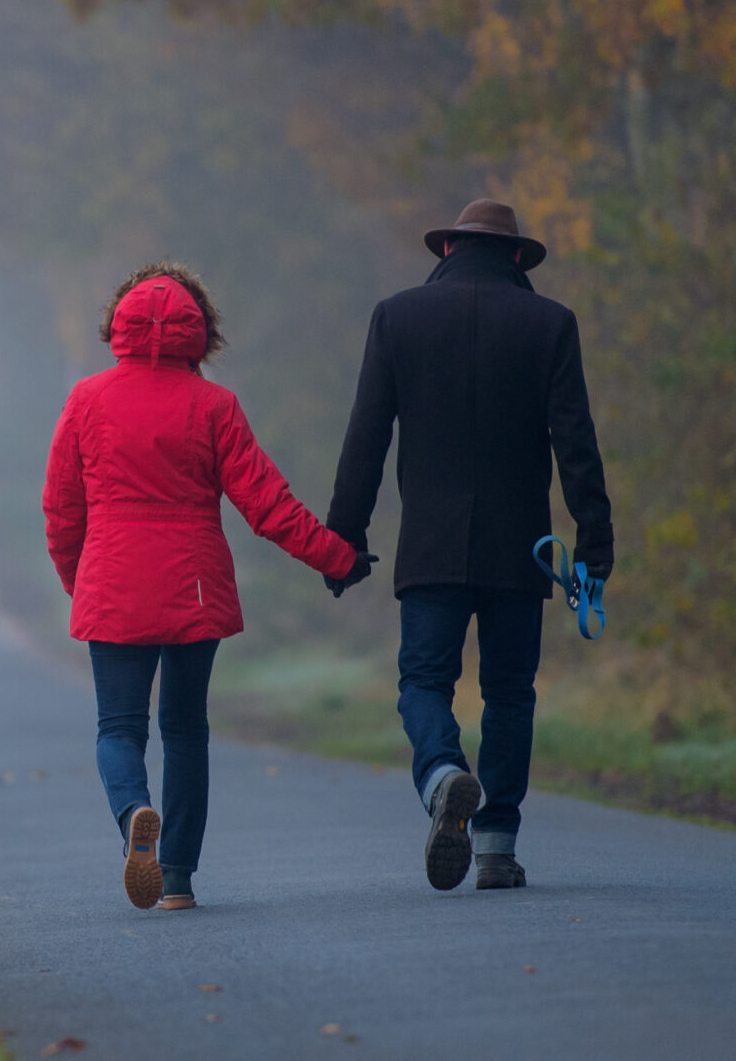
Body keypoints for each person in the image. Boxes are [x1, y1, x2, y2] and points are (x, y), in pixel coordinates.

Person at [42, 263, 372, 910]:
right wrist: (337, 557)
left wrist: (78, 582)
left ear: (120, 327)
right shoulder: (214, 406)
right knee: (187, 728)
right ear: (202, 331)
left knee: (118, 727)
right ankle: (178, 879)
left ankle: (135, 812)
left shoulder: (86, 399)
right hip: (193, 587)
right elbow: (268, 504)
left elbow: (60, 508)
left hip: (111, 582)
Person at [324, 199, 614, 892]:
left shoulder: (398, 317)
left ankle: (443, 774)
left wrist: (343, 540)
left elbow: (366, 437)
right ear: (518, 257)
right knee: (510, 691)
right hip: (522, 549)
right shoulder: (550, 324)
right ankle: (495, 846)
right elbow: (576, 446)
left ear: (448, 250)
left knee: (423, 683)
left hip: (430, 548)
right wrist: (595, 549)